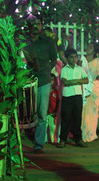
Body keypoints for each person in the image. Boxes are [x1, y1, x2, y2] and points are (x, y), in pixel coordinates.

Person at [24, 19, 57, 154]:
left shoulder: (48, 41)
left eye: (38, 24)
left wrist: (47, 70)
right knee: (28, 112)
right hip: (28, 80)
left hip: (44, 80)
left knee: (42, 114)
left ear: (41, 25)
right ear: (29, 26)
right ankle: (26, 137)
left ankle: (38, 144)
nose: (36, 26)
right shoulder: (25, 42)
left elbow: (54, 59)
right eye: (33, 24)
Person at [59, 48, 89, 148]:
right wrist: (78, 81)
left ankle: (78, 139)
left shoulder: (80, 69)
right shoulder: (64, 69)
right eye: (71, 57)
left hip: (77, 96)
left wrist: (73, 81)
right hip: (67, 96)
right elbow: (65, 82)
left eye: (75, 57)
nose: (74, 59)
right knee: (66, 118)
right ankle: (63, 139)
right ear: (67, 58)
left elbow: (86, 81)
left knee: (77, 119)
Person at [47, 73, 60, 145]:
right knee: (44, 127)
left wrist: (56, 112)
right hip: (45, 112)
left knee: (52, 127)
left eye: (52, 80)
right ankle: (44, 140)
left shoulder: (55, 91)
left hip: (52, 113)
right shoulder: (45, 91)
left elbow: (58, 102)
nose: (50, 81)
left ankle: (52, 140)